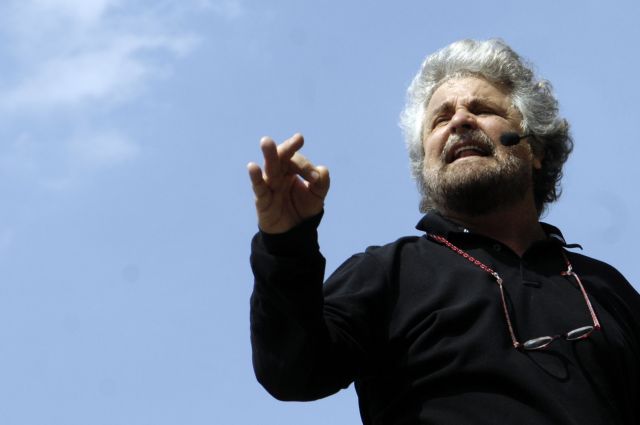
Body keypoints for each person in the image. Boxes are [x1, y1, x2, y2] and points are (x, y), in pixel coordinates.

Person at [246, 39, 640, 425]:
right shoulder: (387, 271)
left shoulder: (603, 285)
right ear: (427, 166)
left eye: (482, 109)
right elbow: (292, 370)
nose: (460, 121)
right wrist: (285, 243)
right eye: (440, 119)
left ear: (535, 149)